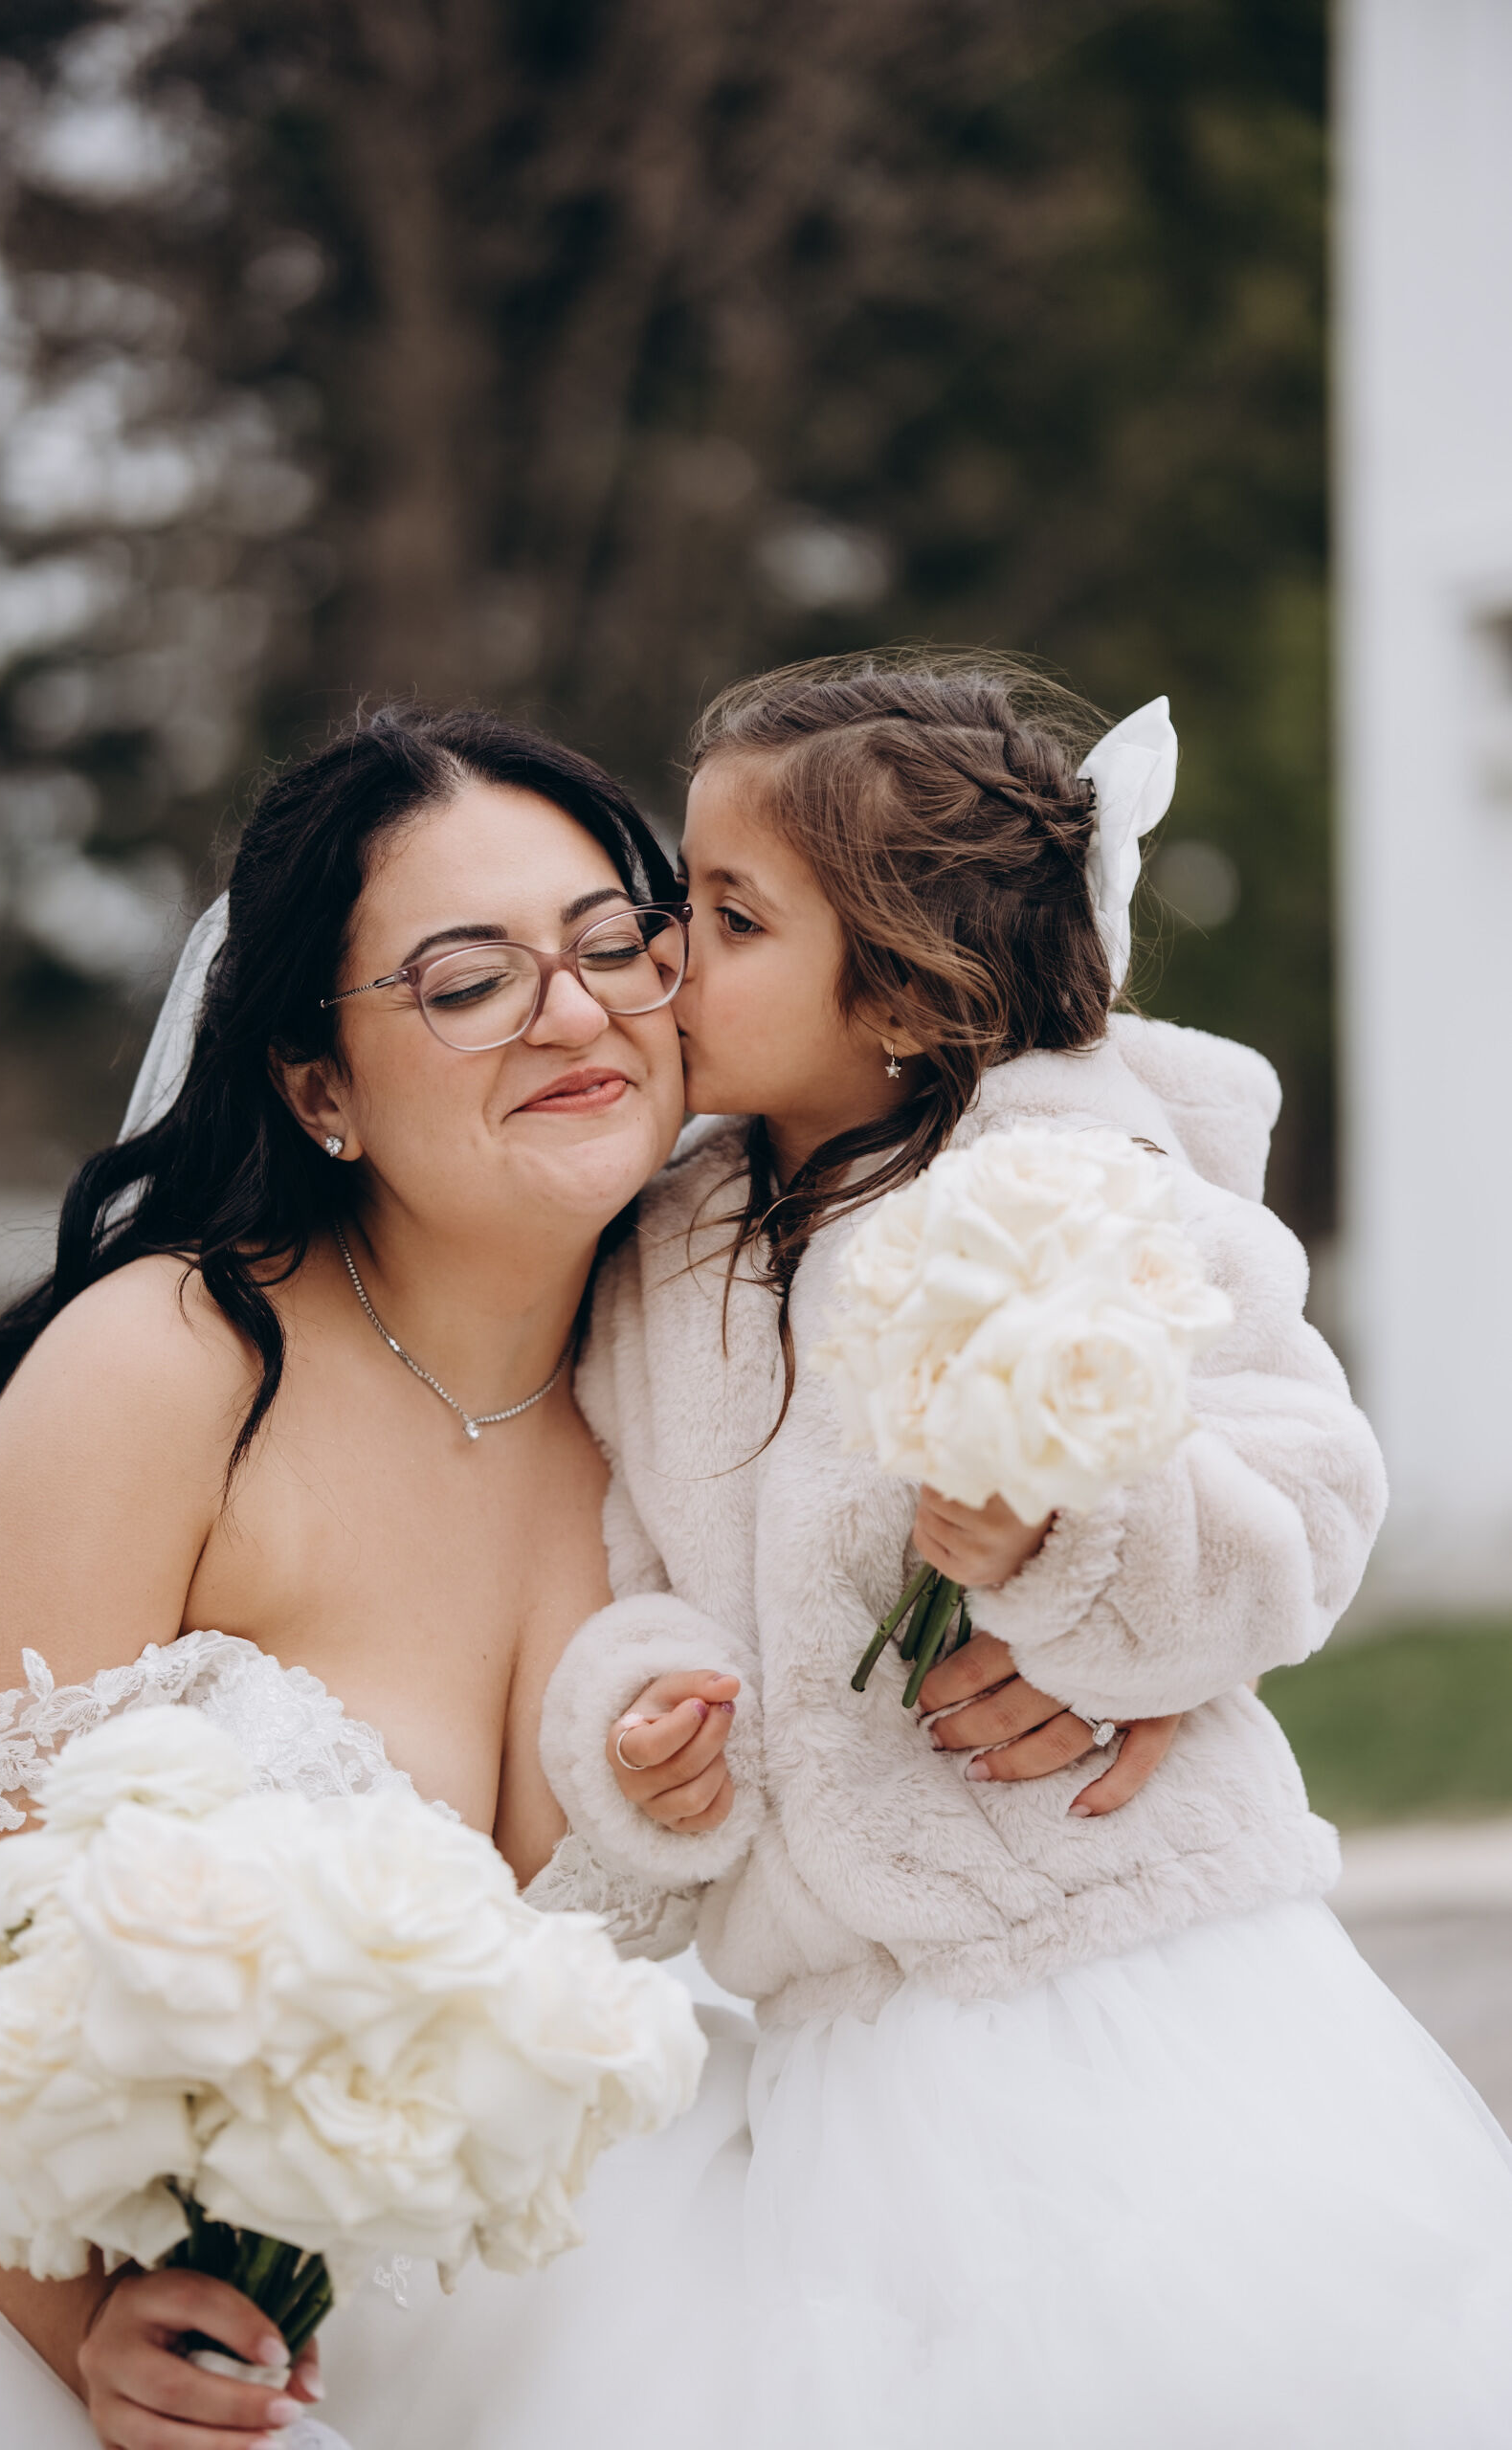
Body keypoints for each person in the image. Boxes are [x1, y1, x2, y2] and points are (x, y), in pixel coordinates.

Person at [0, 702, 1166, 2450]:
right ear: (320, 1085)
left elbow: (1123, 1293)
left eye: (613, 945)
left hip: (630, 2327)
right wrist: (92, 2329)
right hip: (117, 2352)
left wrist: (1124, 1652)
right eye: (468, 981)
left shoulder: (739, 1349)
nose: (572, 1013)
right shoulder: (173, 1365)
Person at [539, 652, 1512, 2449]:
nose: (671, 953)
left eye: (734, 918)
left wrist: (1071, 1535)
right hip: (838, 2047)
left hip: (1118, 1990)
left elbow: (1306, 1501)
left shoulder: (1080, 1189)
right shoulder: (661, 1256)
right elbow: (635, 1569)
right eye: (683, 897)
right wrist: (644, 1725)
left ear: (908, 993)